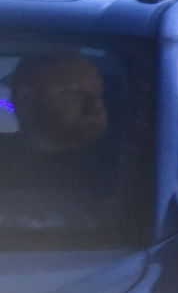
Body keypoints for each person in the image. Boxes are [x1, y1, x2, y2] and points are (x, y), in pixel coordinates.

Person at [0, 53, 113, 197]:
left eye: (99, 93)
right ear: (26, 97)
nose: (95, 107)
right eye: (75, 92)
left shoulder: (127, 168)